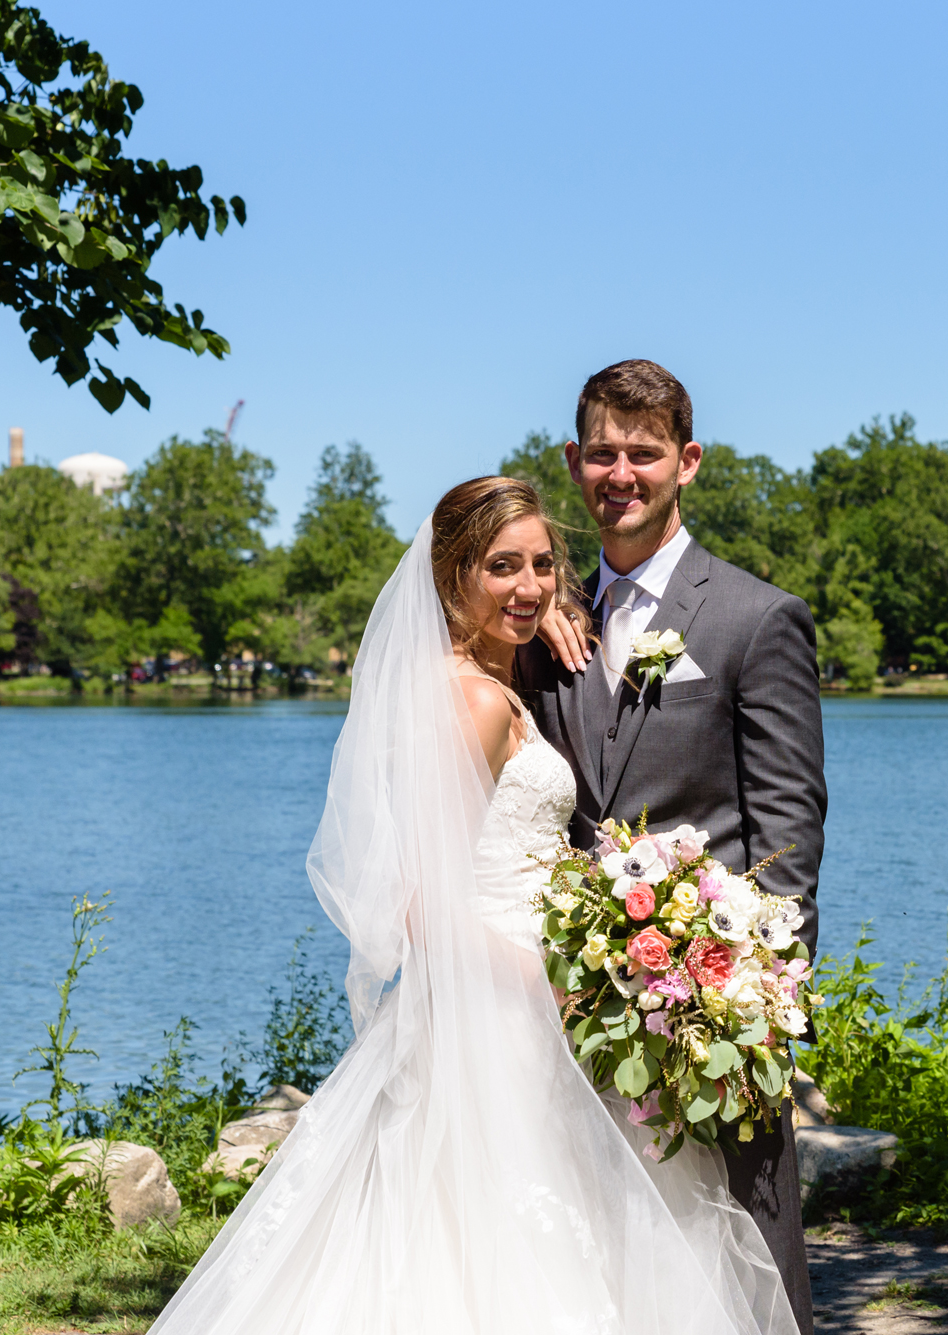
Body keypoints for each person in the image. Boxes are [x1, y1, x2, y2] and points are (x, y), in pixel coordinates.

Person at [148, 477, 798, 1335]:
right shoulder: (471, 698)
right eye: (501, 567)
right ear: (452, 576)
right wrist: (557, 981)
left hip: (530, 996)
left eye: (541, 566)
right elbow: (426, 903)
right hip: (502, 1004)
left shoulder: (496, 679)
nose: (527, 587)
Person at [516, 359, 827, 1333]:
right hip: (564, 1019)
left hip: (711, 1015)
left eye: (642, 453)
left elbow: (788, 832)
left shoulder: (753, 619)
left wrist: (758, 1005)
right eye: (601, 453)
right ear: (573, 463)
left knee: (741, 1272)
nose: (621, 472)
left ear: (685, 462)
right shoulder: (539, 629)